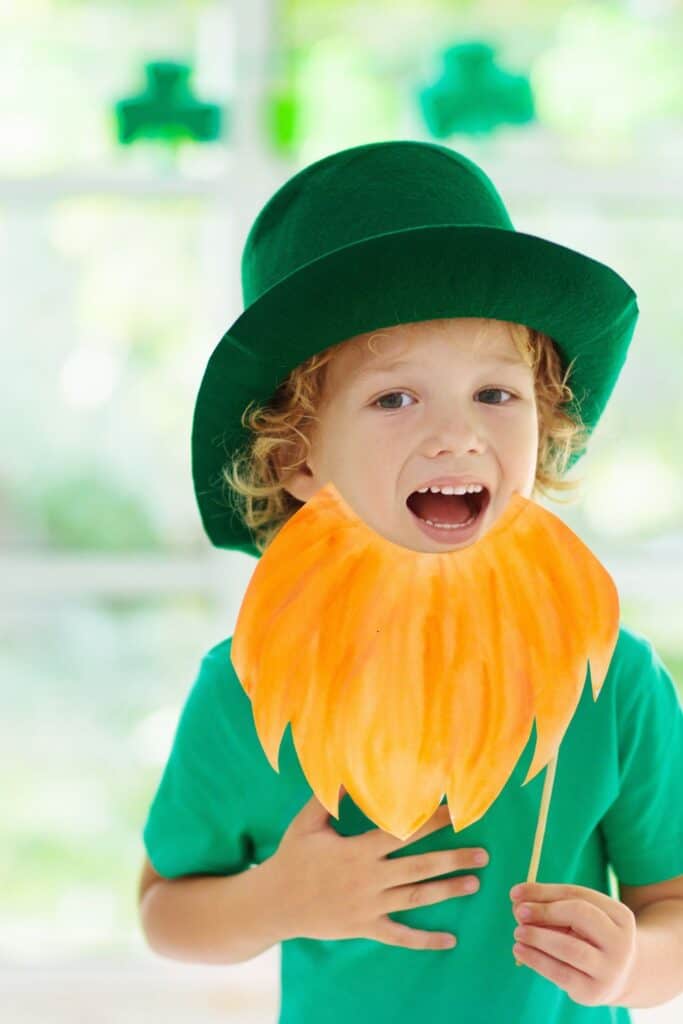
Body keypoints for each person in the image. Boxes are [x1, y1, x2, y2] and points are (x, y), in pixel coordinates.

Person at [138, 140, 683, 1023]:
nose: (457, 437)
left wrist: (631, 965)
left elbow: (672, 908)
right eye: (394, 399)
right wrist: (279, 901)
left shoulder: (611, 678)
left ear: (545, 427)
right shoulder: (246, 687)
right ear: (297, 460)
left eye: (496, 396)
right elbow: (164, 911)